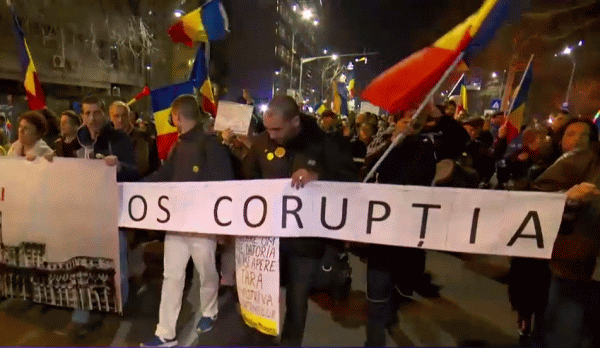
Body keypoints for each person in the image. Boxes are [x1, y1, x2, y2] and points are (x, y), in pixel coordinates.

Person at [243, 96, 358, 346]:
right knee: (264, 298)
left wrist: (318, 175)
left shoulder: (324, 143)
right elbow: (245, 181)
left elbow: (350, 178)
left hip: (305, 243)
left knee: (297, 300)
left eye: (277, 129)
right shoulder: (261, 142)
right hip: (268, 239)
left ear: (295, 122)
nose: (271, 135)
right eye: (267, 128)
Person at [141, 95, 235, 347]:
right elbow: (164, 176)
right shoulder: (179, 146)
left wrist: (222, 225)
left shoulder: (210, 145)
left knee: (206, 271)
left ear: (177, 116)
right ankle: (165, 332)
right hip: (177, 223)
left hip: (202, 225)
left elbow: (224, 186)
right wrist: (133, 187)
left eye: (172, 116)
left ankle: (209, 310)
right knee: (172, 275)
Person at [57, 96, 138, 338]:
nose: (92, 118)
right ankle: (81, 314)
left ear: (103, 114)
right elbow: (61, 170)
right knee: (83, 265)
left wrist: (119, 166)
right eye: (87, 113)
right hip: (85, 210)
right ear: (82, 116)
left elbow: (135, 171)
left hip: (113, 208)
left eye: (96, 112)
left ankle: (117, 308)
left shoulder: (119, 139)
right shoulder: (76, 140)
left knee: (117, 263)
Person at [364, 110, 437, 346]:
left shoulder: (426, 146)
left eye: (414, 120)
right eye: (405, 119)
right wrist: (394, 142)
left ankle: (391, 310)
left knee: (399, 280)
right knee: (378, 283)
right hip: (383, 223)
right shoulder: (385, 141)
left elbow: (426, 175)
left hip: (408, 223)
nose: (410, 123)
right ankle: (374, 336)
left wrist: (412, 141)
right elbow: (370, 166)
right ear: (396, 122)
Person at [527, 118, 600, 348]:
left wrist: (579, 200)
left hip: (571, 259)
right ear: (560, 140)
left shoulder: (593, 165)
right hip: (538, 256)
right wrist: (564, 196)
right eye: (571, 133)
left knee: (566, 317)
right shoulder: (545, 164)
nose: (577, 139)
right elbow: (530, 196)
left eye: (584, 135)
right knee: (543, 312)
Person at [109, 101, 160, 177]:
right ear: (110, 118)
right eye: (116, 116)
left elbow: (146, 167)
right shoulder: (107, 138)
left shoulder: (143, 137)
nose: (120, 120)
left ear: (129, 116)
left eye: (124, 115)